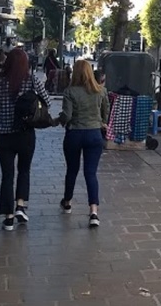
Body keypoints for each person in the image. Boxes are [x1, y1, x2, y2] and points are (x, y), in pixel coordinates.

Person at [0, 47, 50, 231]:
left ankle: (8, 217)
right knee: (24, 170)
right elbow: (46, 101)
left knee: (7, 175)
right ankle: (21, 206)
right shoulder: (32, 81)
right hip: (25, 133)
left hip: (4, 135)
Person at [54, 60, 110, 227]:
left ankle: (67, 201)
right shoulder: (100, 91)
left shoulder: (70, 91)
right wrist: (101, 123)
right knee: (90, 173)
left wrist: (58, 120)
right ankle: (93, 212)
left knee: (72, 170)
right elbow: (105, 112)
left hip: (75, 135)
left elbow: (67, 115)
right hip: (94, 135)